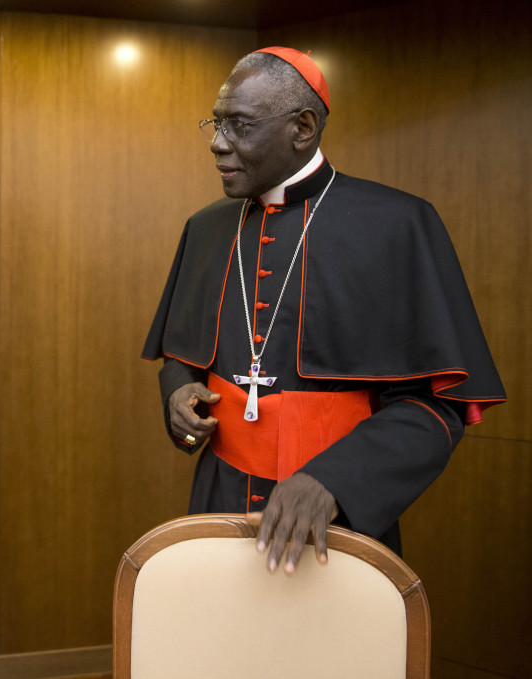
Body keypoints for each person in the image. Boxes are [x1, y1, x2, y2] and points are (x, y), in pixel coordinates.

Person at [142, 47, 505, 575]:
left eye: (239, 125)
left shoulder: (397, 226)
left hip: (335, 520)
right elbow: (180, 352)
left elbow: (435, 407)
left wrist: (336, 481)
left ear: (303, 127)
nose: (218, 144)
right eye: (215, 124)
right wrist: (177, 391)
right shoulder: (206, 227)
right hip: (219, 499)